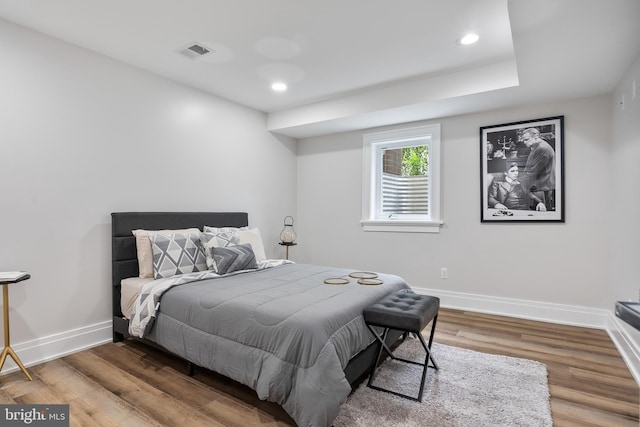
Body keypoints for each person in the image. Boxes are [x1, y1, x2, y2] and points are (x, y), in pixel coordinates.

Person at [520, 127, 555, 211]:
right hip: (540, 186)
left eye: (526, 139)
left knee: (544, 215)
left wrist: (521, 180)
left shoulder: (542, 148)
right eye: (523, 140)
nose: (524, 142)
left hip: (542, 187)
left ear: (536, 137)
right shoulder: (536, 146)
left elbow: (534, 171)